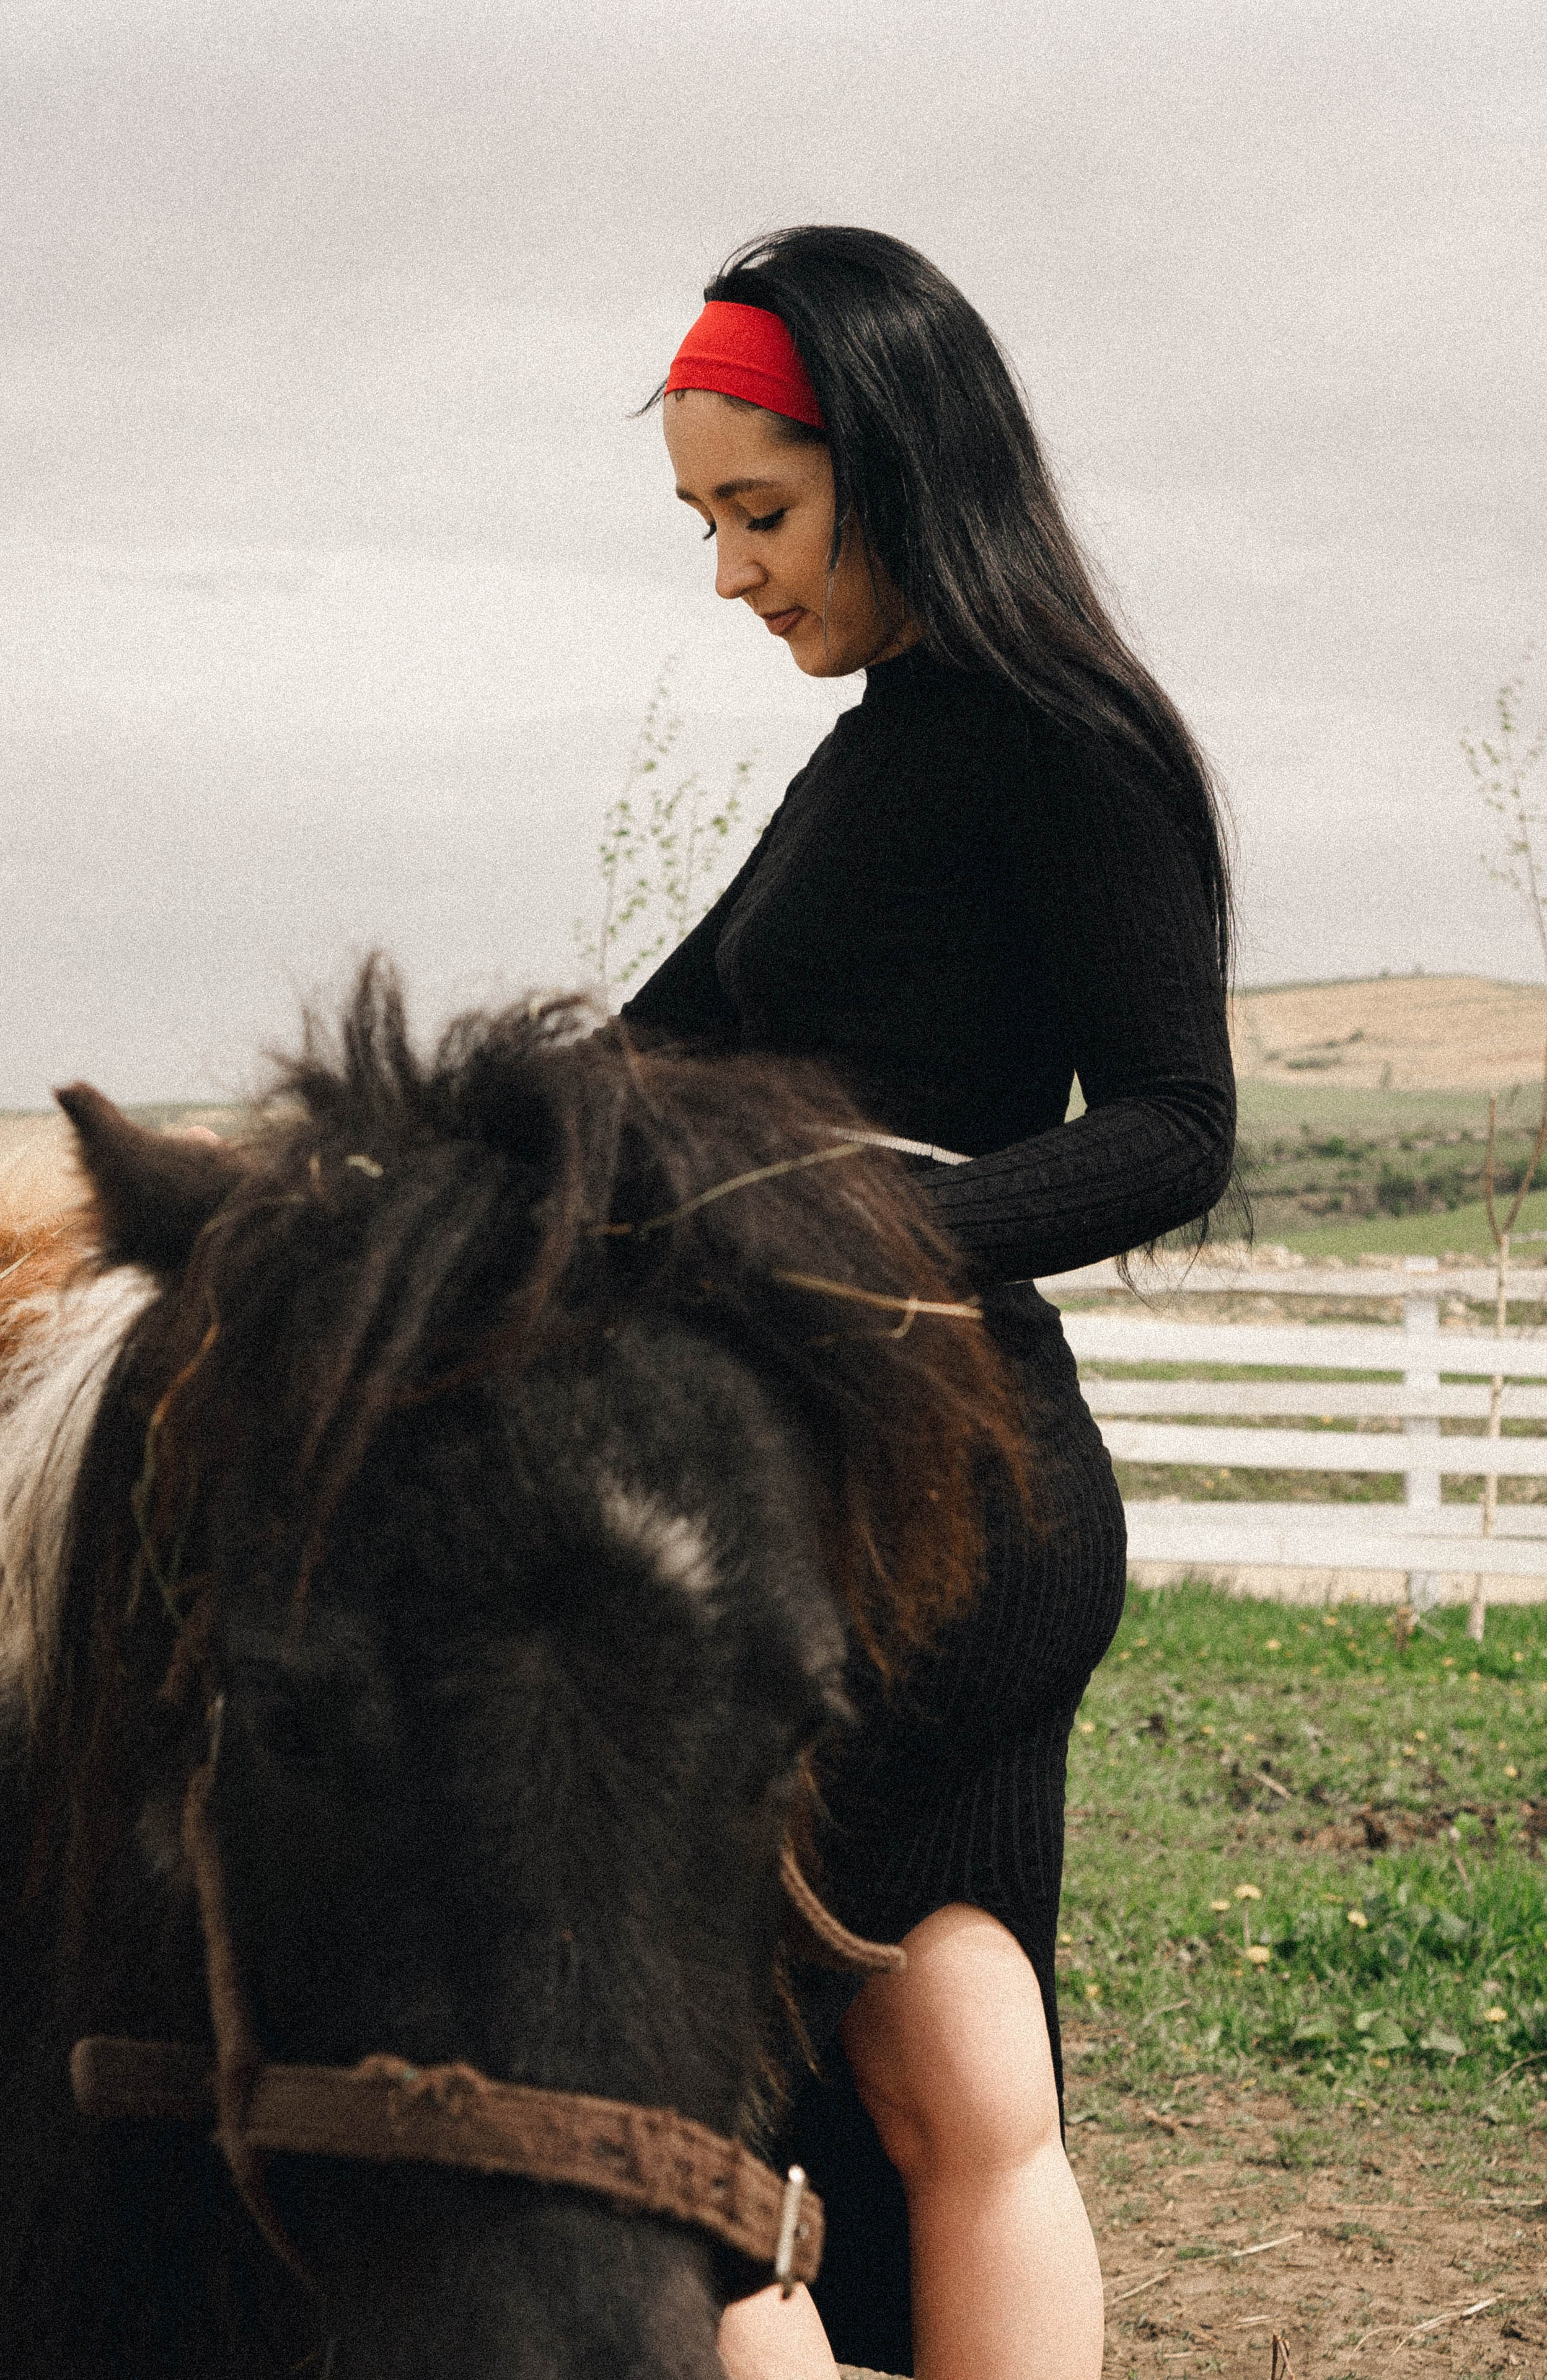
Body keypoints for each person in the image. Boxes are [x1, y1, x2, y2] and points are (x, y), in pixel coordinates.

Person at [620, 226, 1236, 2380]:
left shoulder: (1055, 739)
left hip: (898, 1510)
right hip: (937, 1494)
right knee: (958, 2050)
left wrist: (840, 1233)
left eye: (761, 516)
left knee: (696, 2137)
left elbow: (1175, 1126)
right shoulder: (890, 750)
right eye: (707, 525)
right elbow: (649, 1051)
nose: (732, 577)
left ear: (898, 463)